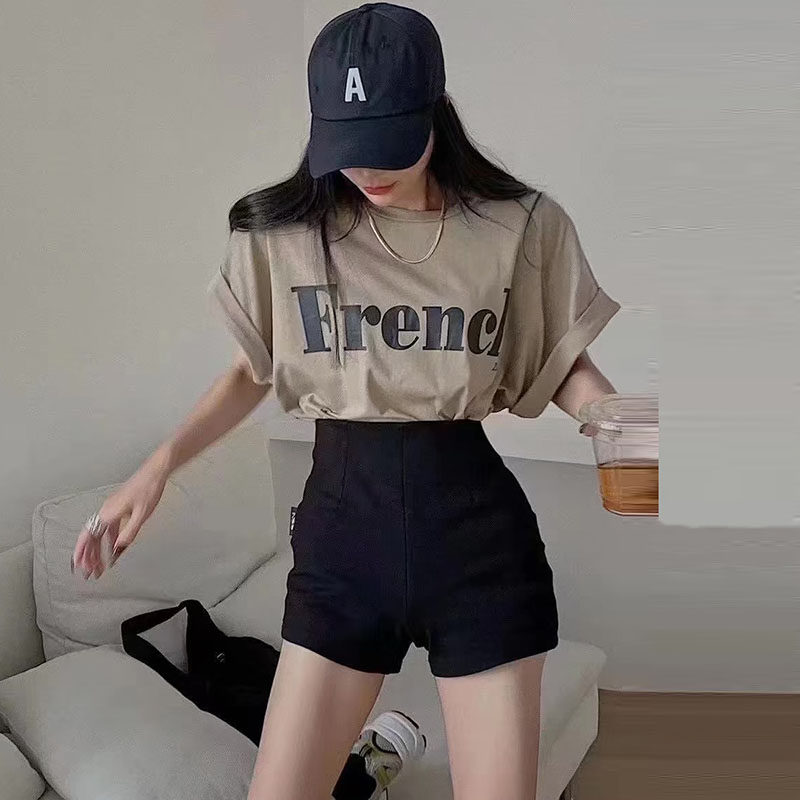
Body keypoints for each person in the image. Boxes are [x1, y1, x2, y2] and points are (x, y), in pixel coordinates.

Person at [71, 3, 621, 798]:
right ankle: (381, 754)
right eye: (346, 144)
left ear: (433, 109)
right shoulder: (282, 235)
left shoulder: (520, 227)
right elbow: (254, 370)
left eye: (387, 143)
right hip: (341, 547)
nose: (365, 171)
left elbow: (564, 362)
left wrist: (621, 427)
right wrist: (156, 470)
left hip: (478, 547)